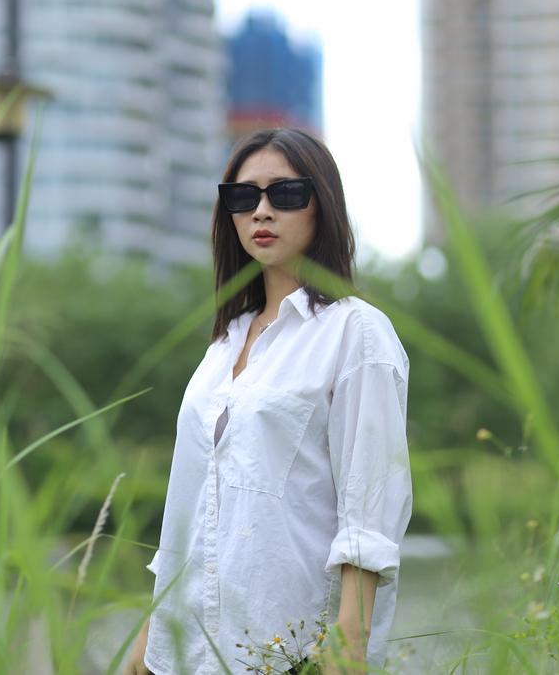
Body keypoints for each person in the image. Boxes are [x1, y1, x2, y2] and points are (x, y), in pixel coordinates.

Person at [124, 127, 412, 675]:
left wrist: (348, 643)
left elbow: (370, 504)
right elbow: (190, 506)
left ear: (322, 204)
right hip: (188, 649)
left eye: (284, 193)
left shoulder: (356, 333)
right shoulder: (224, 344)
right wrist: (151, 629)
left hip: (292, 646)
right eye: (243, 197)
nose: (261, 211)